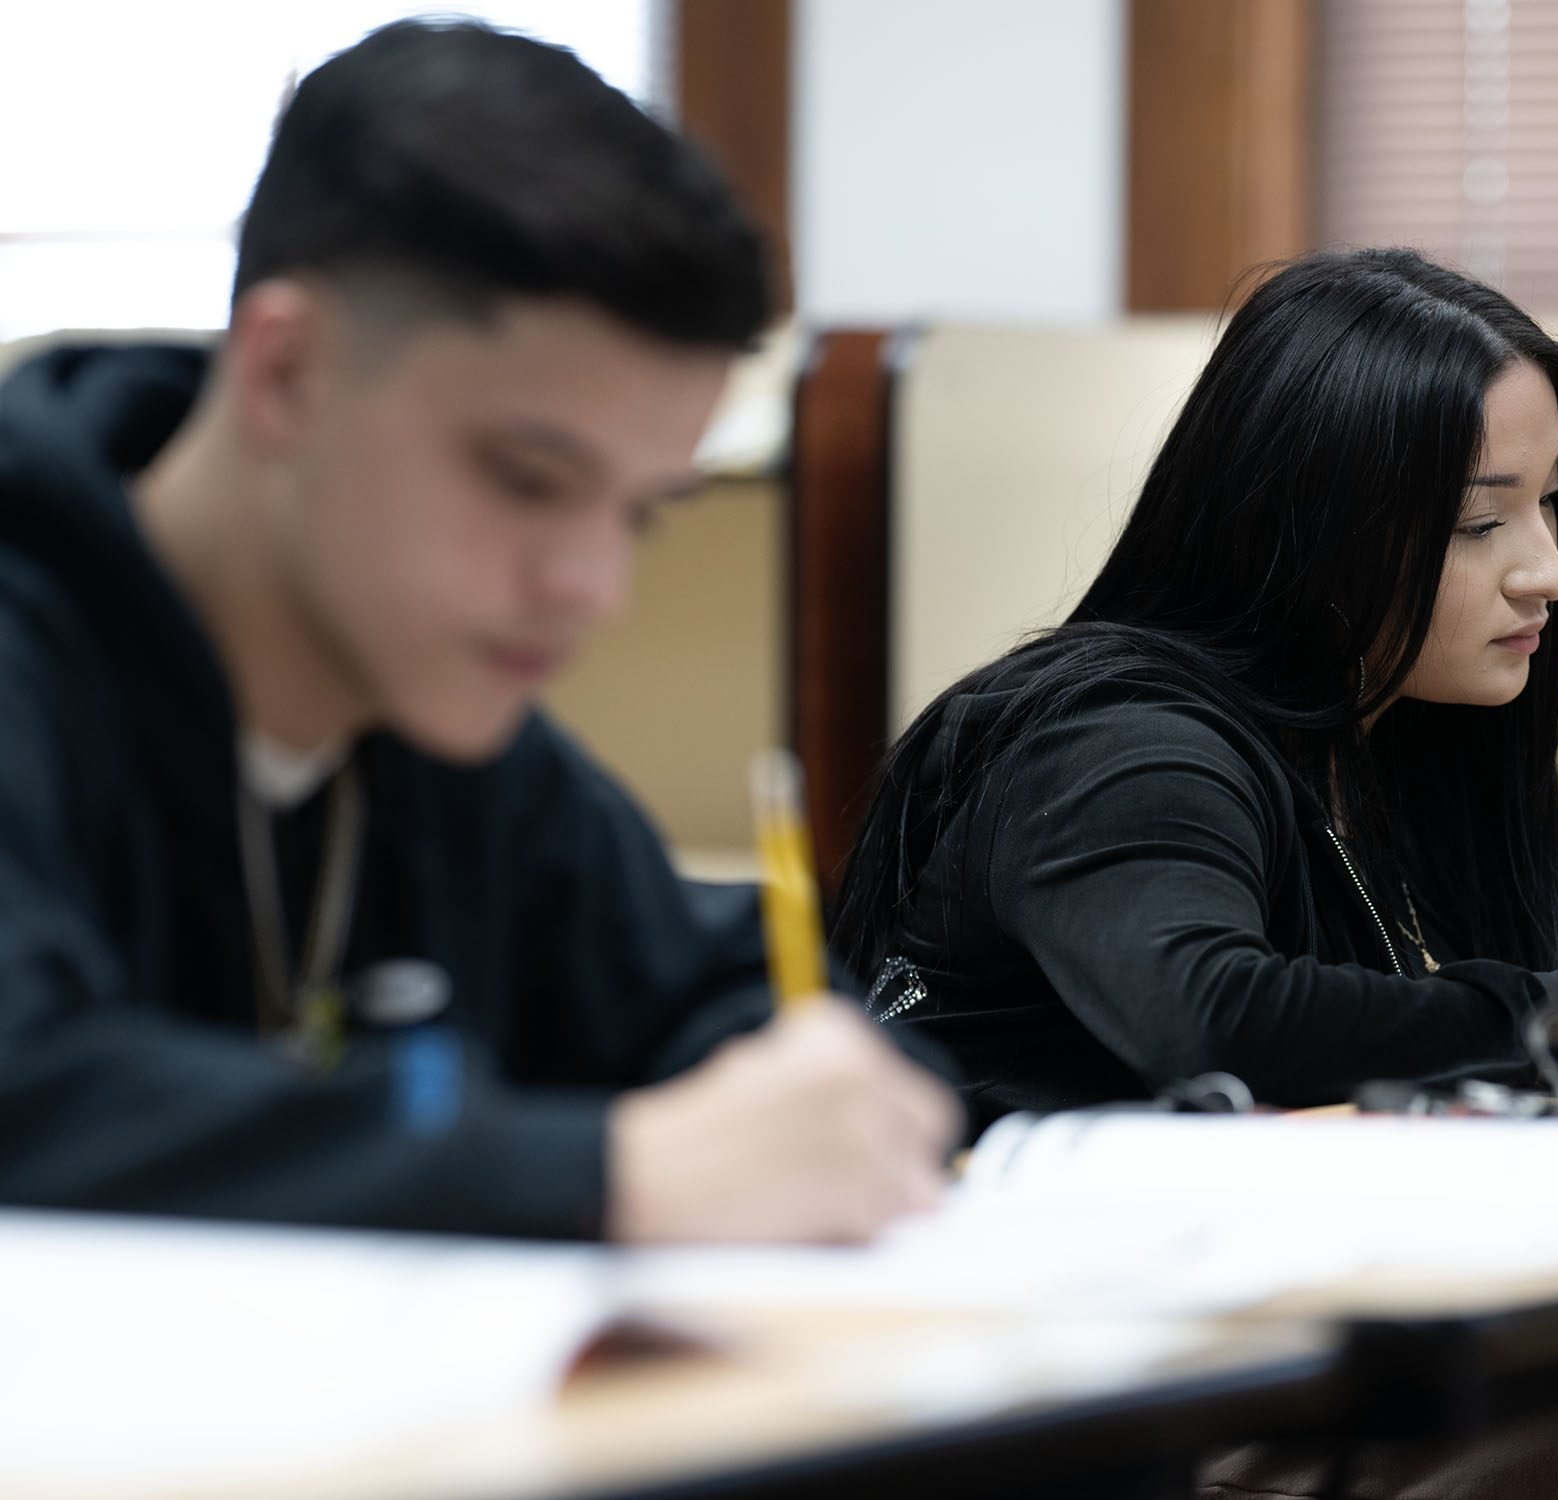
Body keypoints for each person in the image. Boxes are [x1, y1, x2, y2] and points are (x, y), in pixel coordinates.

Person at [0, 20, 958, 1243]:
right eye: (524, 478)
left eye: (642, 514)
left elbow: (723, 997)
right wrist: (603, 1178)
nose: (591, 588)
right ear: (287, 373)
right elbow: (30, 1099)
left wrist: (828, 1100)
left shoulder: (443, 723)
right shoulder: (36, 659)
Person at [833, 248, 1558, 1133]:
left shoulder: (1379, 742)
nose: (1551, 571)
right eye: (1478, 520)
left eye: (1549, 503)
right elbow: (1215, 1022)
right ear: (1311, 531)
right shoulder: (1120, 743)